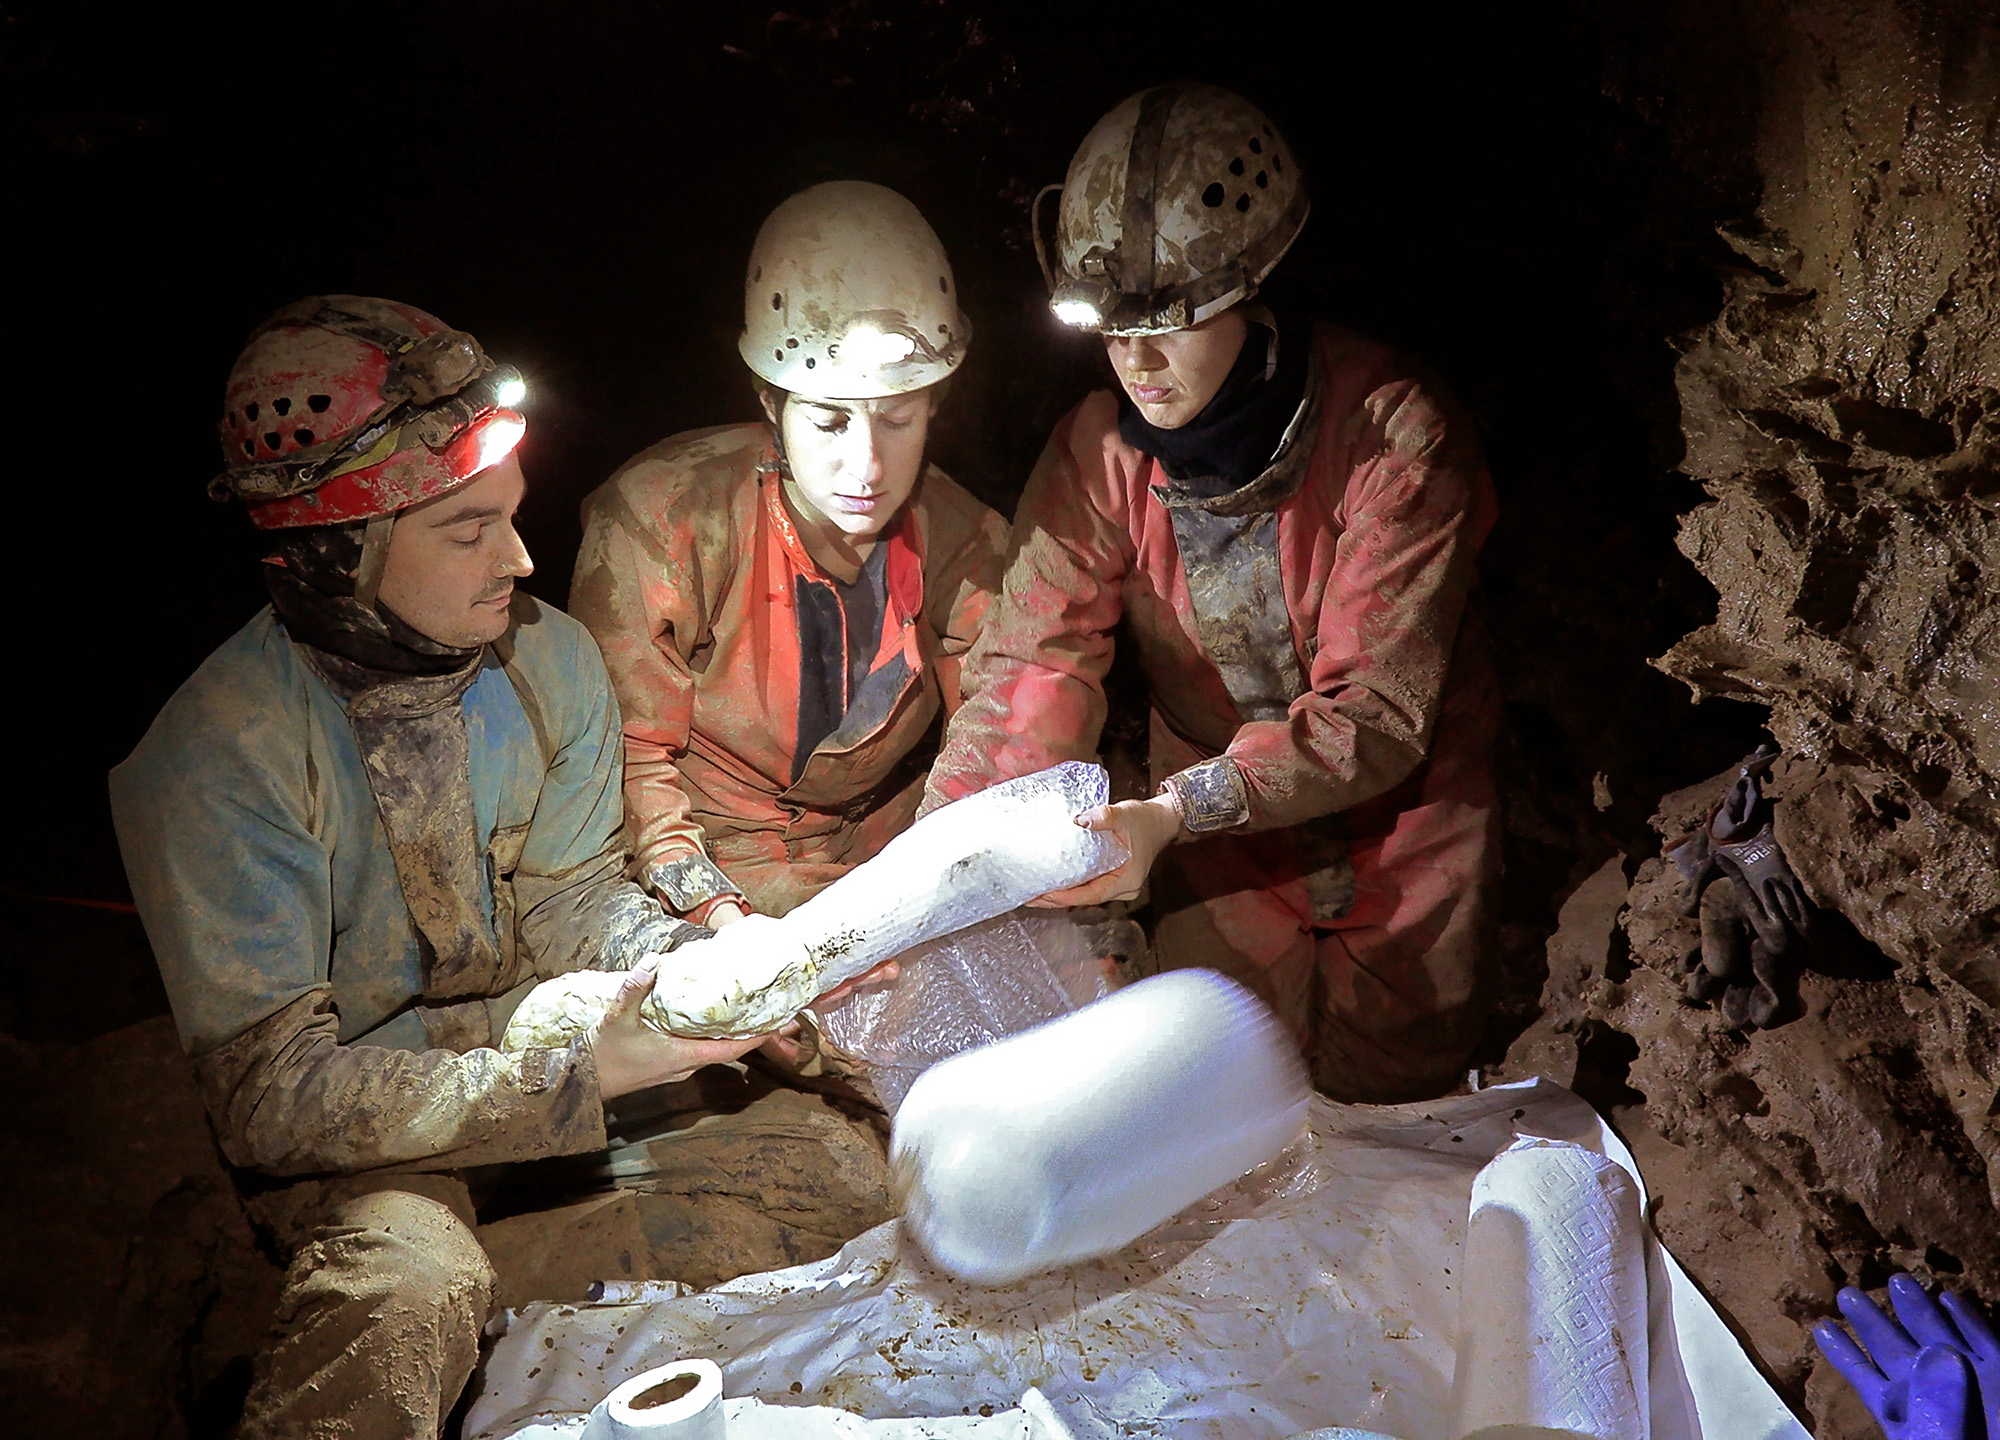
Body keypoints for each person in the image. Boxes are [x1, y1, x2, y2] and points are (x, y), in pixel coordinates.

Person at [110, 296, 824, 1437]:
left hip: (524, 1036)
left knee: (829, 1167)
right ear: (335, 551)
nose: (522, 557)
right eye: (466, 530)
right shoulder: (218, 757)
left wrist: (698, 965)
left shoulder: (544, 660)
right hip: (367, 1127)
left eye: (512, 516)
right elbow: (274, 1102)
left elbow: (572, 898)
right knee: (409, 1290)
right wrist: (581, 1074)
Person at [921, 83, 1504, 1104]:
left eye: (1170, 323)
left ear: (1254, 290)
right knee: (1223, 1106)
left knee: (1402, 1119)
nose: (1134, 362)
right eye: (1107, 329)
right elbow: (1033, 669)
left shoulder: (1396, 439)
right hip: (1215, 846)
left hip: (1403, 828)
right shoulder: (1098, 454)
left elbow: (1371, 712)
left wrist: (1176, 811)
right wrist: (936, 868)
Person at [571, 181, 1006, 956]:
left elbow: (1006, 724)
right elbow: (629, 758)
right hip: (711, 869)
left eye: (898, 419)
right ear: (770, 400)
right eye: (830, 419)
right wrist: (720, 928)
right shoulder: (667, 516)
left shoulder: (963, 540)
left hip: (887, 863)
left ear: (936, 403)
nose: (866, 464)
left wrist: (946, 879)